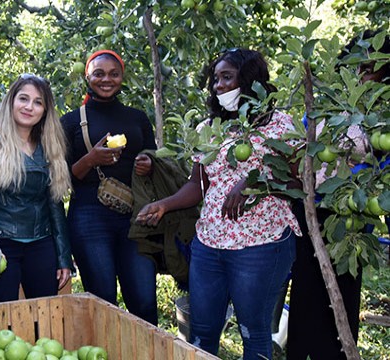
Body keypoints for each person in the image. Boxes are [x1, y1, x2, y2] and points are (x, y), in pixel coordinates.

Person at [136, 48, 302, 358]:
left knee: (253, 332)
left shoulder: (281, 126)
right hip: (209, 245)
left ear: (250, 80)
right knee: (202, 331)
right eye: (215, 79)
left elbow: (301, 184)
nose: (218, 85)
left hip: (259, 246)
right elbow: (198, 185)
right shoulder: (210, 128)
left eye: (227, 77)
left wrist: (257, 182)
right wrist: (165, 204)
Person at [287, 30, 389, 360]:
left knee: (342, 292)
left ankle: (337, 353)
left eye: (371, 66)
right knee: (306, 291)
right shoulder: (327, 103)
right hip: (312, 208)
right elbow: (304, 142)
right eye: (357, 62)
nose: (363, 71)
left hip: (354, 214)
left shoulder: (381, 115)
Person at [61, 50, 158, 325]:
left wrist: (147, 163)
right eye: (99, 73)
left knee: (144, 299)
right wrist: (90, 160)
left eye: (113, 74)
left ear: (122, 77)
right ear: (87, 76)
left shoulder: (137, 118)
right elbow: (61, 179)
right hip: (89, 215)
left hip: (134, 214)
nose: (106, 79)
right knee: (102, 300)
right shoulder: (70, 121)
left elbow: (154, 160)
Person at [0, 74, 73, 304]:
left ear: (45, 110)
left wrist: (63, 257)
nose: (29, 107)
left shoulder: (50, 147)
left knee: (45, 319)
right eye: (23, 98)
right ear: (11, 101)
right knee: (2, 320)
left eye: (38, 102)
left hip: (42, 244)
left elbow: (55, 204)